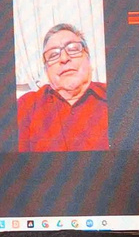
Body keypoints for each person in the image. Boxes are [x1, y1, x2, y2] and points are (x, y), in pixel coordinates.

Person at [16, 23, 108, 152]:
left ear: (88, 58)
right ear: (47, 70)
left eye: (73, 49)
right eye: (53, 55)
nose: (64, 58)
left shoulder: (115, 97)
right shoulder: (26, 106)